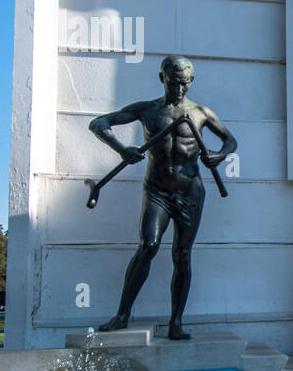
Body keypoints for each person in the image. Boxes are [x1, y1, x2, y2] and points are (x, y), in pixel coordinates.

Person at [87, 55, 238, 340]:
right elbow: (99, 123)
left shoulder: (201, 113)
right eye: (173, 82)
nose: (179, 89)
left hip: (190, 192)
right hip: (156, 190)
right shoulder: (147, 110)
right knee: (148, 245)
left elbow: (231, 140)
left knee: (182, 255)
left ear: (191, 82)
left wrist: (219, 156)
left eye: (184, 84)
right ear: (162, 79)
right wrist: (121, 148)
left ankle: (176, 323)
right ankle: (122, 315)